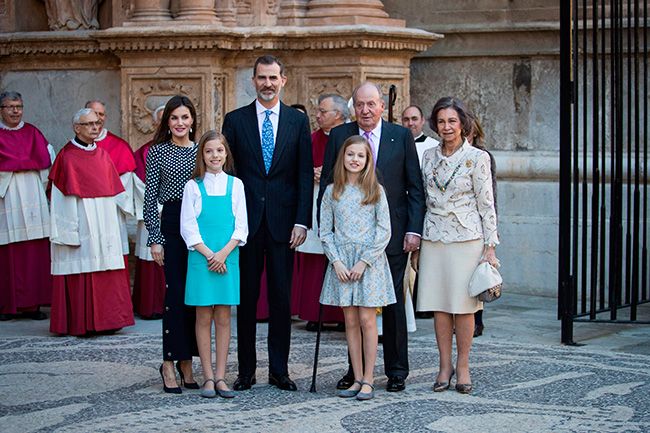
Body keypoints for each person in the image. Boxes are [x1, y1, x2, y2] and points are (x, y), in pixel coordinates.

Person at [320, 82, 425, 393]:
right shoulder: (340, 135)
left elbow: (414, 186)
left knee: (391, 306)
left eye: (371, 104)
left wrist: (413, 229)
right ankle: (357, 372)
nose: (365, 110)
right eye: (360, 105)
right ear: (354, 108)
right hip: (347, 242)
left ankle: (395, 370)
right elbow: (328, 180)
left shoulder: (400, 135)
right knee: (353, 310)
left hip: (390, 237)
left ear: (381, 106)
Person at [222, 54, 313, 392]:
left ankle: (279, 370)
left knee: (280, 300)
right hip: (244, 226)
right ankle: (246, 371)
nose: (268, 84)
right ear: (254, 81)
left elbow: (304, 174)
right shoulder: (235, 120)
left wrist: (302, 221)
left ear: (283, 80)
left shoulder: (297, 121)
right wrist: (230, 225)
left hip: (282, 224)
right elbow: (228, 175)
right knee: (245, 301)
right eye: (262, 78)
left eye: (273, 78)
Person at [411, 96, 499, 394]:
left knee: (463, 307)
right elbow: (421, 199)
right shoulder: (428, 157)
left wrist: (490, 247)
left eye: (452, 121)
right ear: (434, 124)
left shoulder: (478, 157)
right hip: (434, 237)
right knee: (439, 305)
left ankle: (463, 366)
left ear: (463, 124)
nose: (446, 126)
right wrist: (419, 244)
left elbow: (486, 204)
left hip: (467, 239)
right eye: (441, 121)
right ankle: (444, 365)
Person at [320, 135, 395, 401]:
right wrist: (337, 261)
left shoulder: (375, 190)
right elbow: (325, 231)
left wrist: (364, 261)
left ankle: (369, 379)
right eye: (350, 154)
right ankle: (356, 375)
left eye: (360, 156)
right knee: (349, 321)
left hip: (368, 262)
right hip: (342, 261)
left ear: (367, 160)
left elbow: (384, 230)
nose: (355, 160)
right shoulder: (332, 191)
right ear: (343, 158)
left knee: (367, 319)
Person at [48, 108, 135, 336]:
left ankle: (109, 320)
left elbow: (116, 190)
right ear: (77, 128)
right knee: (84, 266)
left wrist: (131, 210)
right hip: (81, 220)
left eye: (97, 123)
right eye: (89, 124)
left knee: (107, 266)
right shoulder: (66, 156)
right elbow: (59, 199)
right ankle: (83, 322)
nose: (95, 127)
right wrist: (67, 232)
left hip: (105, 221)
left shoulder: (103, 154)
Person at [180, 130, 248, 399]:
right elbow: (188, 226)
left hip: (228, 258)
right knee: (203, 316)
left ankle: (221, 376)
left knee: (223, 316)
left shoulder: (237, 185)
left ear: (226, 153)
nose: (214, 155)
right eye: (209, 151)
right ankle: (206, 376)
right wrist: (210, 255)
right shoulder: (193, 187)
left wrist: (222, 254)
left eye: (219, 150)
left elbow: (241, 226)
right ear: (202, 155)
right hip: (201, 259)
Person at [144, 95, 200, 394]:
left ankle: (187, 360)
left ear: (192, 120)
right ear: (167, 122)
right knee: (175, 295)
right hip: (172, 223)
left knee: (195, 296)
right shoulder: (158, 152)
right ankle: (169, 361)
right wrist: (155, 237)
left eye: (185, 117)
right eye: (174, 118)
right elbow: (150, 198)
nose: (180, 123)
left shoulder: (201, 151)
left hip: (199, 226)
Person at [0, 91, 54, 321]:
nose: (15, 111)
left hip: (32, 194)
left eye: (19, 106)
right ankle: (6, 306)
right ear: (1, 110)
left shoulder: (33, 133)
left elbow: (46, 165)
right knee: (8, 252)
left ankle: (32, 305)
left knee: (33, 252)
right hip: (6, 194)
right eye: (10, 106)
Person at [297, 93, 348, 332]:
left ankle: (340, 314)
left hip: (341, 201)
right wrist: (311, 172)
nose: (317, 116)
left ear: (338, 115)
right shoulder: (311, 138)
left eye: (322, 112)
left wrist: (329, 175)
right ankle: (314, 313)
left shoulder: (350, 137)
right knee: (314, 257)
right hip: (314, 199)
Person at [86, 100, 137, 286]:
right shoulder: (73, 148)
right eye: (92, 114)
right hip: (86, 211)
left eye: (101, 114)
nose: (97, 119)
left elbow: (125, 181)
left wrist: (103, 195)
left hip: (111, 210)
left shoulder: (118, 146)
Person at [401, 104, 438, 321]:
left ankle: (425, 302)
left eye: (414, 119)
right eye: (406, 119)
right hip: (403, 205)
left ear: (422, 121)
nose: (410, 123)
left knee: (424, 258)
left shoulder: (433, 146)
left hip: (425, 206)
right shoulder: (395, 142)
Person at [132, 105, 167, 320]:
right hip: (153, 214)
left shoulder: (190, 149)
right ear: (154, 123)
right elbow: (138, 183)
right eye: (162, 119)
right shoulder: (145, 151)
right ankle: (151, 305)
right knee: (151, 258)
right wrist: (163, 205)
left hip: (180, 215)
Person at [465, 112, 498, 338]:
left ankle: (477, 321)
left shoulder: (483, 156)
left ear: (474, 132)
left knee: (479, 276)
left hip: (478, 225)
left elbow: (490, 196)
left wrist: (491, 235)